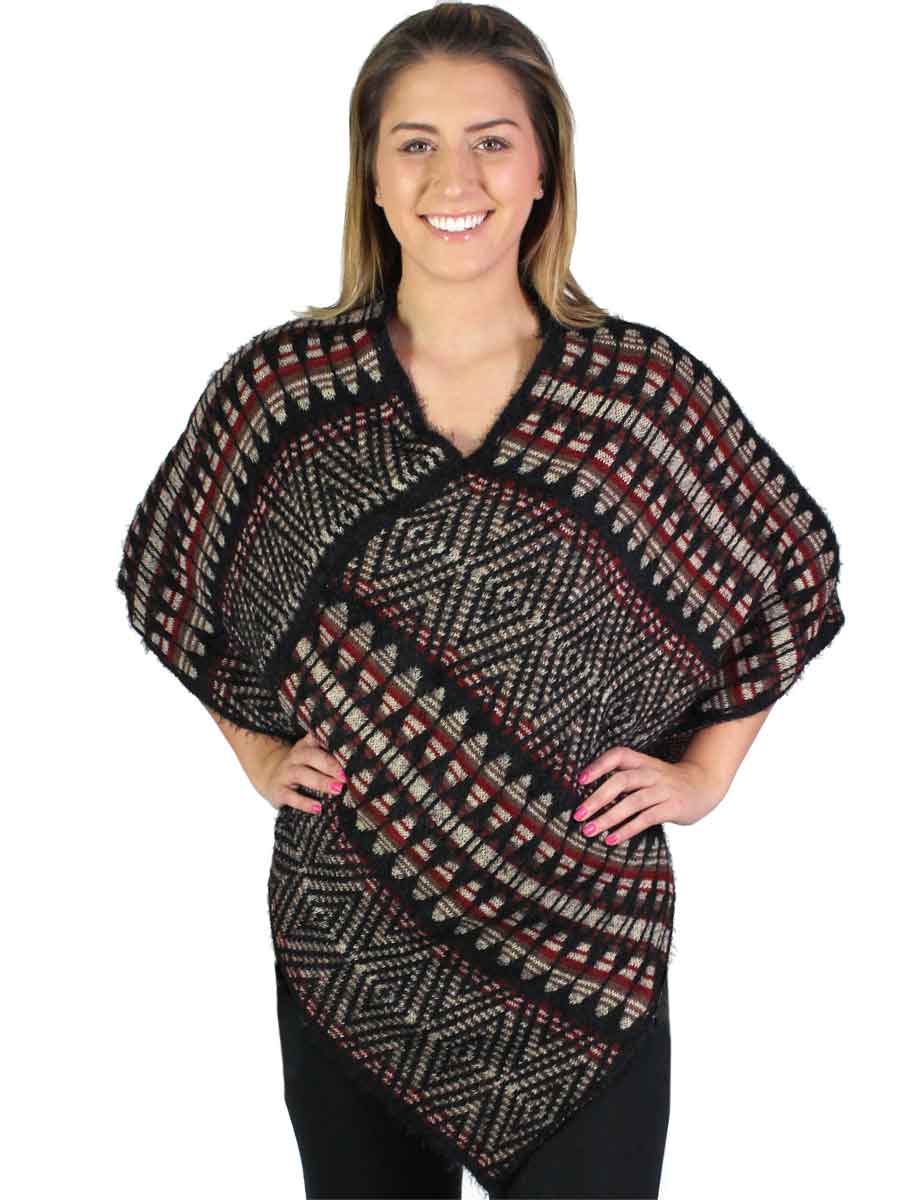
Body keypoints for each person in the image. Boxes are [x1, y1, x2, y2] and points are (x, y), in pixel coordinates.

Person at [115, 4, 846, 1198]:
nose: (454, 178)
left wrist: (706, 776)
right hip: (352, 940)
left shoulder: (634, 394)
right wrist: (259, 751)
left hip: (578, 953)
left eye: (492, 141)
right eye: (415, 143)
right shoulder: (284, 394)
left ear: (545, 167)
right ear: (371, 172)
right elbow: (177, 578)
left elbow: (786, 571)